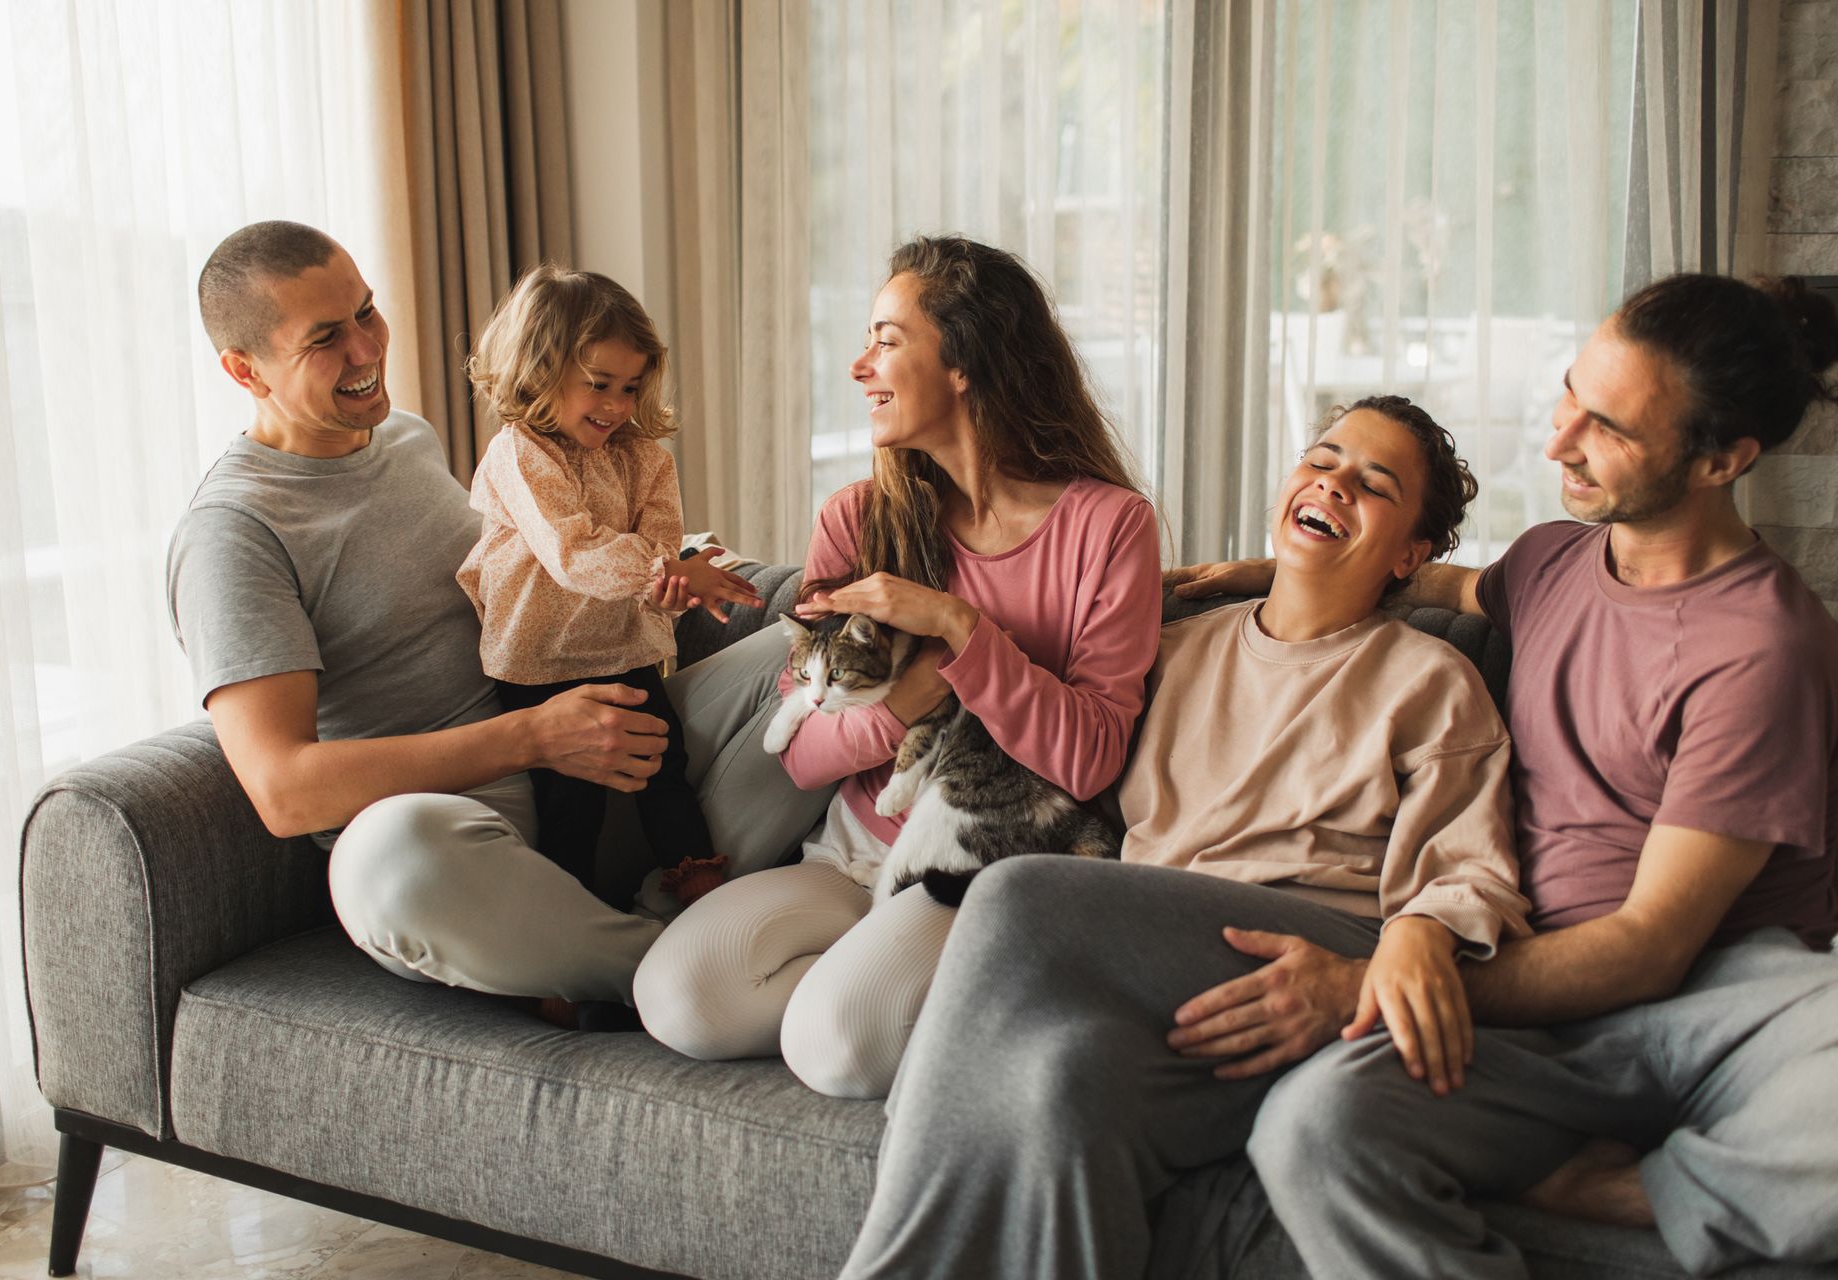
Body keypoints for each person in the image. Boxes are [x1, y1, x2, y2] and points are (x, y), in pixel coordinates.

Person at [1134, 272, 1838, 1277]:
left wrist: (1370, 974)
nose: (1560, 440)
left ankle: (1654, 1186)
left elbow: (1655, 946)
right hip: (1536, 984)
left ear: (1722, 459)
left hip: (1712, 997)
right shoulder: (1555, 563)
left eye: (1608, 428)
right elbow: (1433, 577)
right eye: (1572, 392)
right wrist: (1248, 576)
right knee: (1313, 1123)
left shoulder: (1765, 649)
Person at [838, 394, 1532, 1278]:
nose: (1333, 483)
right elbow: (1063, 728)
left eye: (1374, 483)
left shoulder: (1432, 678)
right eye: (1322, 459)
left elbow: (1466, 875)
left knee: (1017, 895)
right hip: (1154, 968)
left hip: (1307, 945)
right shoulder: (1174, 648)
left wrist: (1408, 945)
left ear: (1411, 554)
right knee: (1061, 1088)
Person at [166, 221, 828, 1013]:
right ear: (246, 370)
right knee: (385, 859)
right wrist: (537, 737)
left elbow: (537, 566)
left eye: (367, 313)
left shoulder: (406, 439)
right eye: (324, 338)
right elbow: (285, 792)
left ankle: (641, 927)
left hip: (602, 756)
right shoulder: (235, 532)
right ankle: (671, 965)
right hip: (467, 833)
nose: (367, 349)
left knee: (823, 657)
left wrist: (680, 566)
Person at [632, 235, 1163, 1099]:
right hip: (849, 849)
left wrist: (957, 624)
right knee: (676, 999)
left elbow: (1092, 755)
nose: (858, 364)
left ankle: (916, 988)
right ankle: (935, 995)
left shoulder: (1109, 527)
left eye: (886, 337)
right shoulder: (857, 520)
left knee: (838, 1045)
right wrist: (902, 706)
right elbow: (802, 752)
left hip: (985, 861)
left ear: (965, 360)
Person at [457, 263, 762, 912]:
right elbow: (572, 554)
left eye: (631, 387)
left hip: (624, 648)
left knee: (664, 766)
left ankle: (697, 889)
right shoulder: (520, 453)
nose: (618, 406)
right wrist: (669, 571)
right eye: (599, 385)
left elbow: (657, 554)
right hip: (537, 661)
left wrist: (672, 584)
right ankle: (567, 934)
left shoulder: (646, 459)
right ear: (539, 370)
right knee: (570, 806)